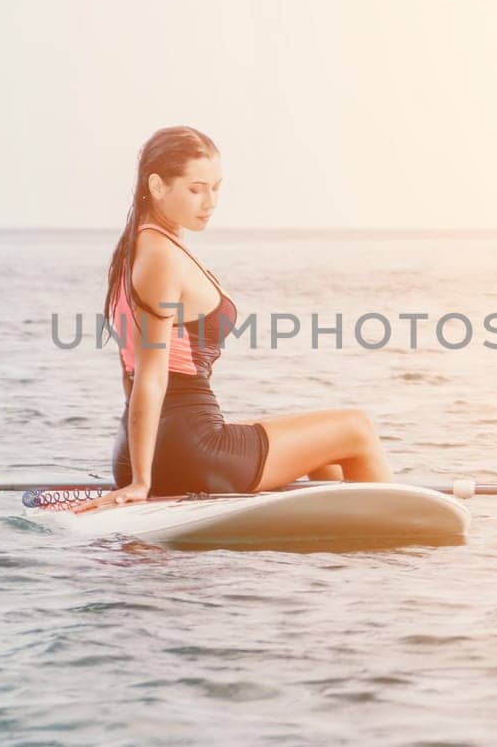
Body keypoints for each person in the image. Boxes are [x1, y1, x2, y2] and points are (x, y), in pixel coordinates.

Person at [73, 126, 393, 513]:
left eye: (216, 188)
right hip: (187, 448)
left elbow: (132, 372)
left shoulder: (140, 246)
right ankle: (396, 538)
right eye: (195, 189)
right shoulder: (161, 256)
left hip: (164, 444)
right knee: (356, 428)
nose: (210, 201)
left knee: (322, 452)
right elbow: (149, 374)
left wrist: (141, 464)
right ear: (157, 186)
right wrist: (143, 481)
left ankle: (337, 533)